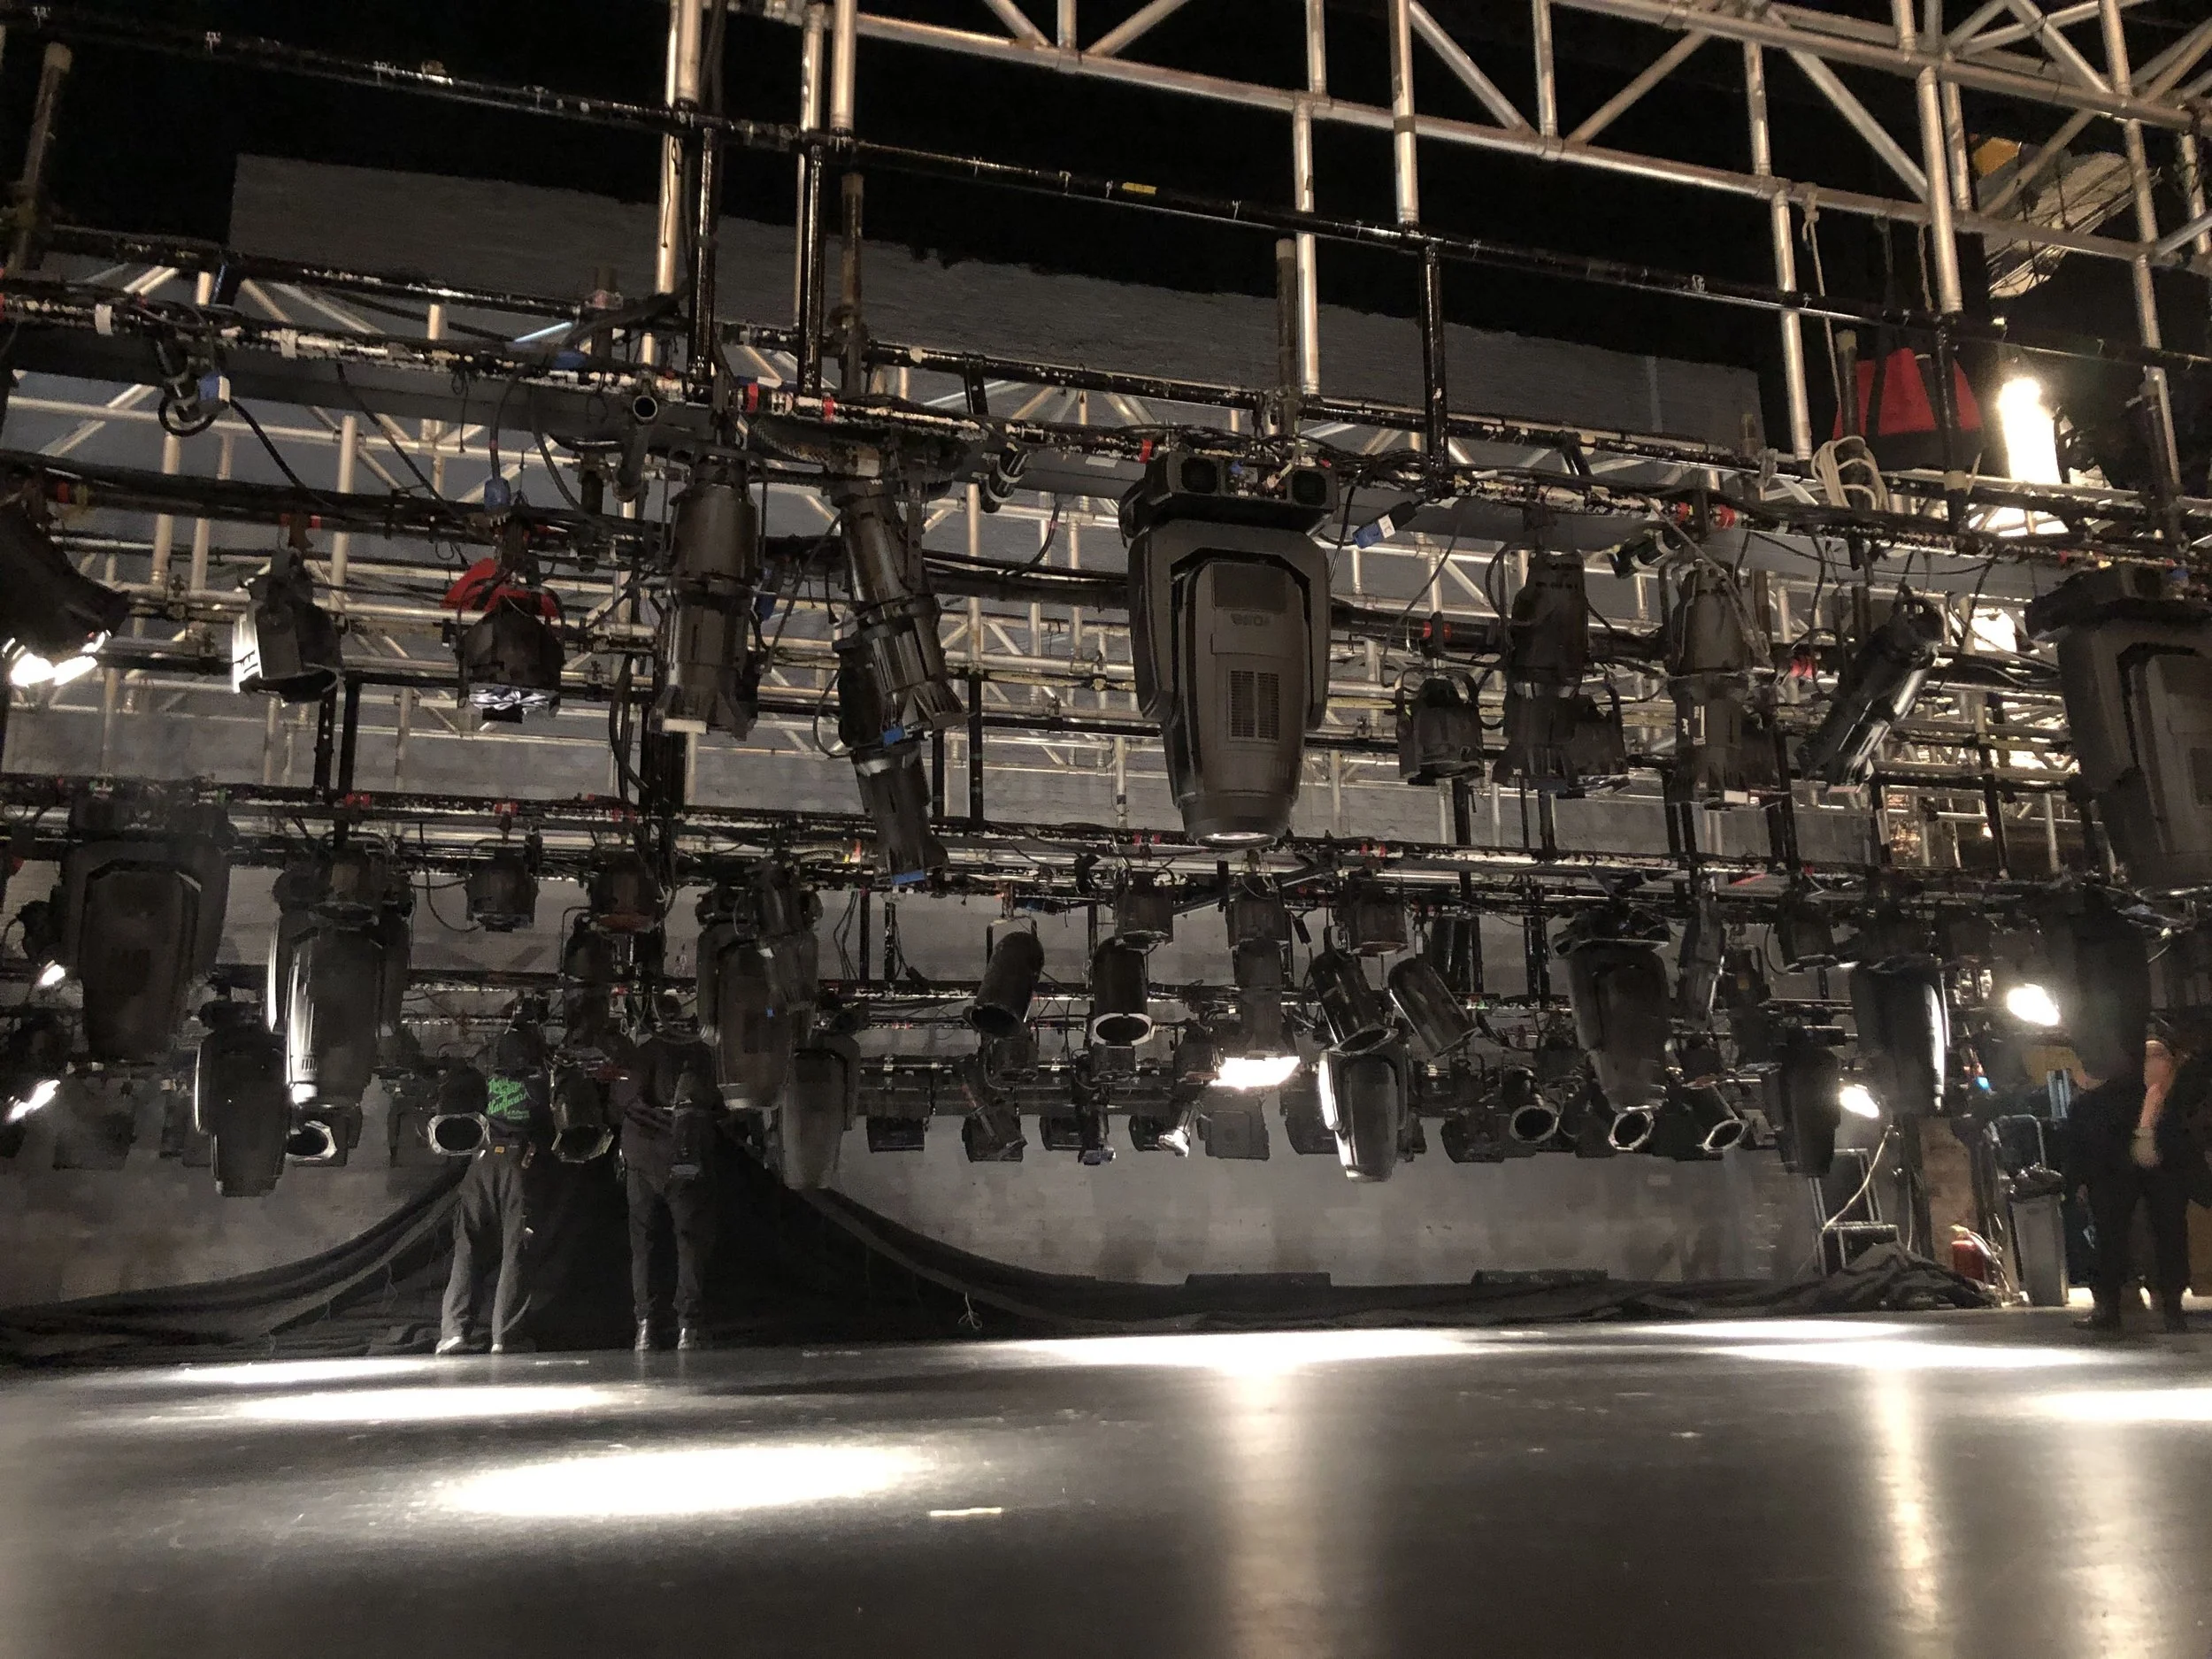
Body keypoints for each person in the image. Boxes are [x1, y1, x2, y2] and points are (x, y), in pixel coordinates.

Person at [2068, 1025, 2208, 1333]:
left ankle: (2171, 1304)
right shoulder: (2111, 1098)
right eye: (2148, 1057)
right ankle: (2110, 1304)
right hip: (2118, 1167)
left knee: (2170, 1230)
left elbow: (2188, 1137)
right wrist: (2082, 1180)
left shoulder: (2180, 1096)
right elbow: (2088, 1135)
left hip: (2166, 1167)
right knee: (2111, 1232)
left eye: (2160, 1056)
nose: (2154, 1064)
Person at [437, 1022, 549, 1355]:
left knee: (468, 1248)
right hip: (519, 1163)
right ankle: (506, 1336)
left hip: (481, 1161)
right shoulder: (541, 1082)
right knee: (516, 1250)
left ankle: (454, 1332)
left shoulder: (484, 1076)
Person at [622, 1000, 722, 1351]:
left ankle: (645, 1327)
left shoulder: (641, 1053)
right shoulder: (702, 1055)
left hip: (641, 1156)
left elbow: (616, 1105)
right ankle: (688, 1328)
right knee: (690, 1241)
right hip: (685, 1156)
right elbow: (719, 1104)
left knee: (643, 1245)